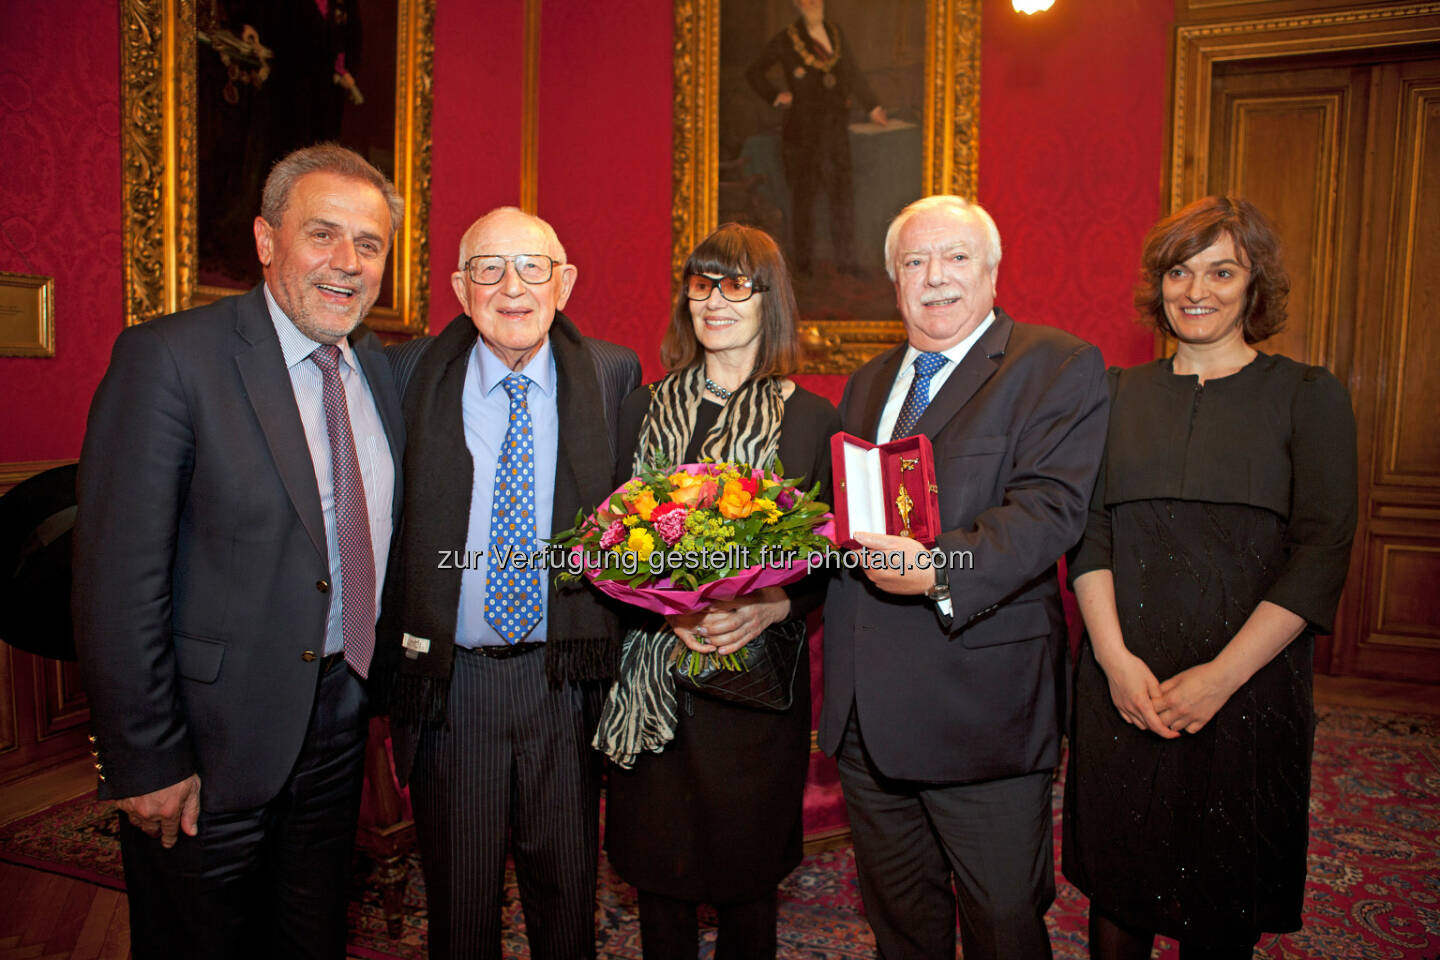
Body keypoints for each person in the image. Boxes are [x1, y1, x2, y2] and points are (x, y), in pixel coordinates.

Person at [72, 143, 406, 958]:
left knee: (308, 928)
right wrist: (144, 759)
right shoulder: (170, 359)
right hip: (208, 741)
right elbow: (117, 580)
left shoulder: (380, 375)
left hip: (338, 713)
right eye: (322, 234)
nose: (347, 263)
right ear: (265, 240)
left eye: (369, 245)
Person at [1062, 196, 1358, 959]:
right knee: (1118, 896)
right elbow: (1089, 537)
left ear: (1253, 283)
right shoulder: (1114, 393)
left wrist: (1221, 680)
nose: (1197, 290)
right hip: (1122, 688)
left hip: (1247, 698)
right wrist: (1114, 663)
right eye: (1178, 272)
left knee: (1223, 908)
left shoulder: (1307, 396)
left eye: (1221, 271)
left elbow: (1322, 551)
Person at [818, 194, 1109, 960]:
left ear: (991, 270)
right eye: (914, 261)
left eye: (954, 258)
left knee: (1002, 927)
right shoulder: (868, 381)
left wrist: (939, 569)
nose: (934, 277)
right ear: (894, 280)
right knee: (901, 926)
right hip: (867, 717)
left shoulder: (1055, 365)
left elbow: (1050, 509)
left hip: (980, 712)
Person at [374, 207, 640, 960]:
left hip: (565, 676)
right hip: (452, 685)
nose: (512, 287)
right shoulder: (409, 372)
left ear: (565, 283)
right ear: (461, 287)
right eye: (489, 268)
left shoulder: (611, 374)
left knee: (567, 895)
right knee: (459, 901)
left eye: (532, 267)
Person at [597, 222, 840, 959]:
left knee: (748, 882)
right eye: (701, 283)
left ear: (772, 302)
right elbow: (608, 542)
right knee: (659, 878)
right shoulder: (641, 409)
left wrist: (772, 604)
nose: (714, 301)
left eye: (737, 284)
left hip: (755, 690)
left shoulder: (811, 418)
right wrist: (665, 608)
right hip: (654, 679)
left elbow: (831, 561)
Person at [746, 0, 886, 276]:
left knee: (842, 197)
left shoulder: (835, 33)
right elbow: (754, 72)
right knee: (804, 199)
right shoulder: (787, 39)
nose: (812, 3)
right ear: (797, 5)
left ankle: (847, 262)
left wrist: (872, 106)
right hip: (802, 134)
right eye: (806, 0)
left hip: (835, 131)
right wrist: (776, 96)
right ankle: (804, 265)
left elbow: (853, 73)